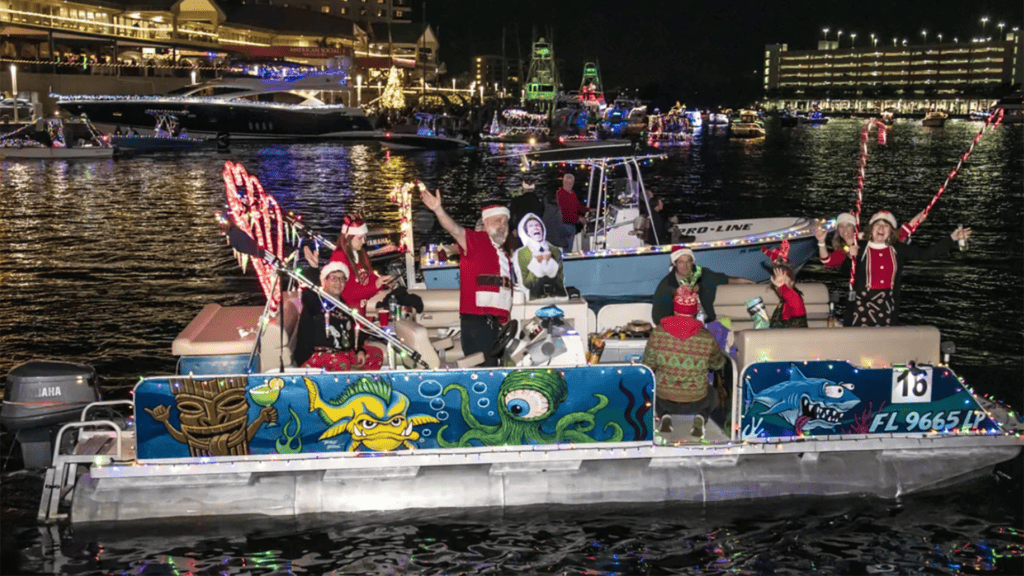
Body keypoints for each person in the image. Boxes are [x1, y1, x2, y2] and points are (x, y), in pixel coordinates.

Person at [420, 188, 513, 366]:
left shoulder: (504, 255)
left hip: (495, 324)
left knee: (493, 370)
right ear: (485, 223)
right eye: (497, 220)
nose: (502, 224)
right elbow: (455, 230)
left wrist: (504, 321)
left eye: (505, 221)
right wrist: (438, 210)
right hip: (477, 324)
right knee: (485, 373)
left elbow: (501, 291)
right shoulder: (477, 241)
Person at [850, 210, 970, 326]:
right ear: (871, 229)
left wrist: (951, 239)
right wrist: (849, 255)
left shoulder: (898, 249)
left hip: (887, 306)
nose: (881, 228)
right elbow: (844, 267)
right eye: (877, 224)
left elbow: (926, 254)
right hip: (862, 306)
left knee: (884, 344)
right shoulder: (859, 248)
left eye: (886, 225)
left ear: (891, 231)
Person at [642, 285, 726, 438]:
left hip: (664, 398)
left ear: (675, 309)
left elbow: (647, 366)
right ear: (694, 311)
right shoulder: (706, 337)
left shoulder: (658, 333)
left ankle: (665, 417)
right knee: (713, 394)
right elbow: (717, 364)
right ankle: (700, 418)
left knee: (654, 391)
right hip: (696, 400)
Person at [293, 260, 383, 371]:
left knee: (376, 354)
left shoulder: (343, 305)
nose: (338, 282)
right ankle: (343, 387)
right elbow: (309, 292)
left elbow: (354, 333)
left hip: (342, 353)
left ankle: (361, 386)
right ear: (324, 281)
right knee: (341, 362)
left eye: (341, 279)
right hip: (315, 355)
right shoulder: (316, 300)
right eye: (333, 278)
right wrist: (313, 268)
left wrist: (359, 350)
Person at [651, 247, 753, 326]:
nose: (685, 266)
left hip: (708, 321)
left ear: (692, 262)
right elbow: (658, 318)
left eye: (688, 262)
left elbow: (725, 279)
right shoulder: (667, 285)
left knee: (726, 325)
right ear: (675, 264)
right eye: (681, 262)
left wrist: (742, 281)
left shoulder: (703, 275)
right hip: (681, 325)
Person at [328, 214, 394, 320]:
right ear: (347, 237)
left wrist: (383, 283)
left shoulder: (361, 253)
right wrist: (375, 286)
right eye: (360, 238)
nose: (364, 242)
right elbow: (346, 294)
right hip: (350, 314)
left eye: (365, 237)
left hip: (365, 308)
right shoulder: (339, 258)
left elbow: (370, 276)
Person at [513, 213, 566, 300]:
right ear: (526, 232)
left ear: (542, 228)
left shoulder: (555, 251)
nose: (536, 227)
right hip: (534, 300)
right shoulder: (521, 253)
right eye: (531, 226)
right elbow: (525, 283)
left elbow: (560, 279)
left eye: (538, 225)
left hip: (556, 299)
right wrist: (537, 263)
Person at [509, 179, 543, 246]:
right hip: (537, 230)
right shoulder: (539, 201)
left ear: (523, 188)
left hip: (521, 229)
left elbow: (511, 216)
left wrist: (512, 228)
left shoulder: (516, 200)